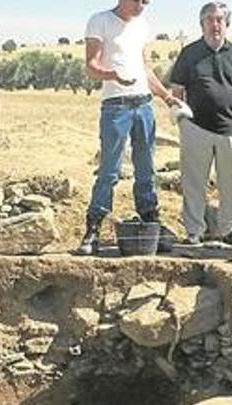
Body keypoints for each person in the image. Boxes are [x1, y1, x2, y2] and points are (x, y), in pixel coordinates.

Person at [78, 0, 183, 255]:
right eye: (140, 0)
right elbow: (91, 66)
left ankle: (150, 223)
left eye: (147, 2)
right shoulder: (99, 20)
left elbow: (143, 67)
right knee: (110, 170)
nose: (143, 6)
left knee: (146, 167)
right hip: (116, 105)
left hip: (144, 105)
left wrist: (166, 97)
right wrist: (112, 75)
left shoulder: (141, 25)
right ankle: (93, 230)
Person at [170, 2, 232, 246]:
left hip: (231, 129)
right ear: (202, 24)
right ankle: (194, 232)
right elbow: (177, 90)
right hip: (195, 128)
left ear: (226, 23)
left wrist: (231, 109)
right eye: (209, 19)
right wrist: (183, 120)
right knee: (193, 183)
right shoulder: (189, 53)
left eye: (219, 19)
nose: (214, 24)